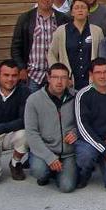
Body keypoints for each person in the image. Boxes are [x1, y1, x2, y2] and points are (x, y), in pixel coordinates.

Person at [73, 58, 106, 191]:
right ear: (91, 74)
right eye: (98, 72)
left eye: (105, 72)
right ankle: (85, 172)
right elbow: (83, 128)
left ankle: (105, 163)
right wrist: (105, 150)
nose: (102, 76)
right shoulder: (82, 95)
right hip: (90, 142)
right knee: (86, 156)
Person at [25, 63, 78, 192]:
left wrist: (76, 132)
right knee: (39, 171)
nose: (59, 81)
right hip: (45, 150)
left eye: (64, 77)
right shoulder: (34, 100)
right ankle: (47, 172)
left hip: (68, 152)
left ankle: (59, 171)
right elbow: (31, 133)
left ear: (69, 80)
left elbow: (84, 122)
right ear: (48, 78)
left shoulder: (76, 97)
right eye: (55, 77)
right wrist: (49, 158)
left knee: (67, 187)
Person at [11, 0, 70, 92]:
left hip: (55, 75)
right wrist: (21, 68)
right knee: (32, 106)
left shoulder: (63, 19)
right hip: (32, 76)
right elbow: (16, 47)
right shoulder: (25, 19)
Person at [48, 0, 104, 91]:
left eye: (83, 7)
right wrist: (59, 76)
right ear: (72, 12)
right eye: (76, 8)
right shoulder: (61, 31)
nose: (80, 10)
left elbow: (101, 56)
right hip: (69, 81)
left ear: (88, 12)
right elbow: (52, 54)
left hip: (91, 81)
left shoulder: (97, 31)